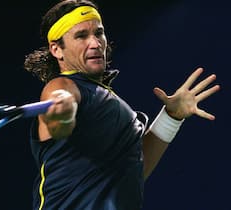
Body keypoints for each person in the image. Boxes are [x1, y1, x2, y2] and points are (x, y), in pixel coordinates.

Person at [23, 0, 220, 209]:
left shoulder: (107, 100)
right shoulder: (63, 85)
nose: (95, 43)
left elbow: (136, 167)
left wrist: (171, 117)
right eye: (81, 36)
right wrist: (62, 114)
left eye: (99, 33)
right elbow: (59, 115)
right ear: (56, 49)